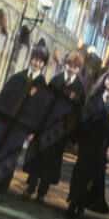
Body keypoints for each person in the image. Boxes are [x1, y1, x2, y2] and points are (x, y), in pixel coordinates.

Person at [0, 41, 50, 201]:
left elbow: (41, 112)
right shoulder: (18, 77)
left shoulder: (42, 86)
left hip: (22, 128)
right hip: (6, 122)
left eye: (40, 61)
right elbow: (5, 94)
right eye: (35, 59)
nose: (36, 63)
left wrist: (33, 131)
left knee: (11, 156)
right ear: (31, 59)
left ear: (43, 64)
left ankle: (1, 188)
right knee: (0, 152)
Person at [23, 51, 87, 202]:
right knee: (37, 157)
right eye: (69, 65)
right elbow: (44, 104)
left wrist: (73, 136)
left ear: (79, 69)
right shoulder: (55, 81)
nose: (71, 69)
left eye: (75, 67)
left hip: (60, 132)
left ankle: (42, 193)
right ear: (65, 64)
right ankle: (30, 187)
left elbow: (78, 114)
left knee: (51, 163)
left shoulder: (80, 90)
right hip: (45, 126)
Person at [67, 67, 109, 215]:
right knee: (80, 172)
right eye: (108, 78)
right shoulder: (94, 99)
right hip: (87, 143)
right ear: (104, 81)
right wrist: (78, 142)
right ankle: (74, 201)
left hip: (102, 147)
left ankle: (82, 204)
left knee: (94, 176)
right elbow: (83, 121)